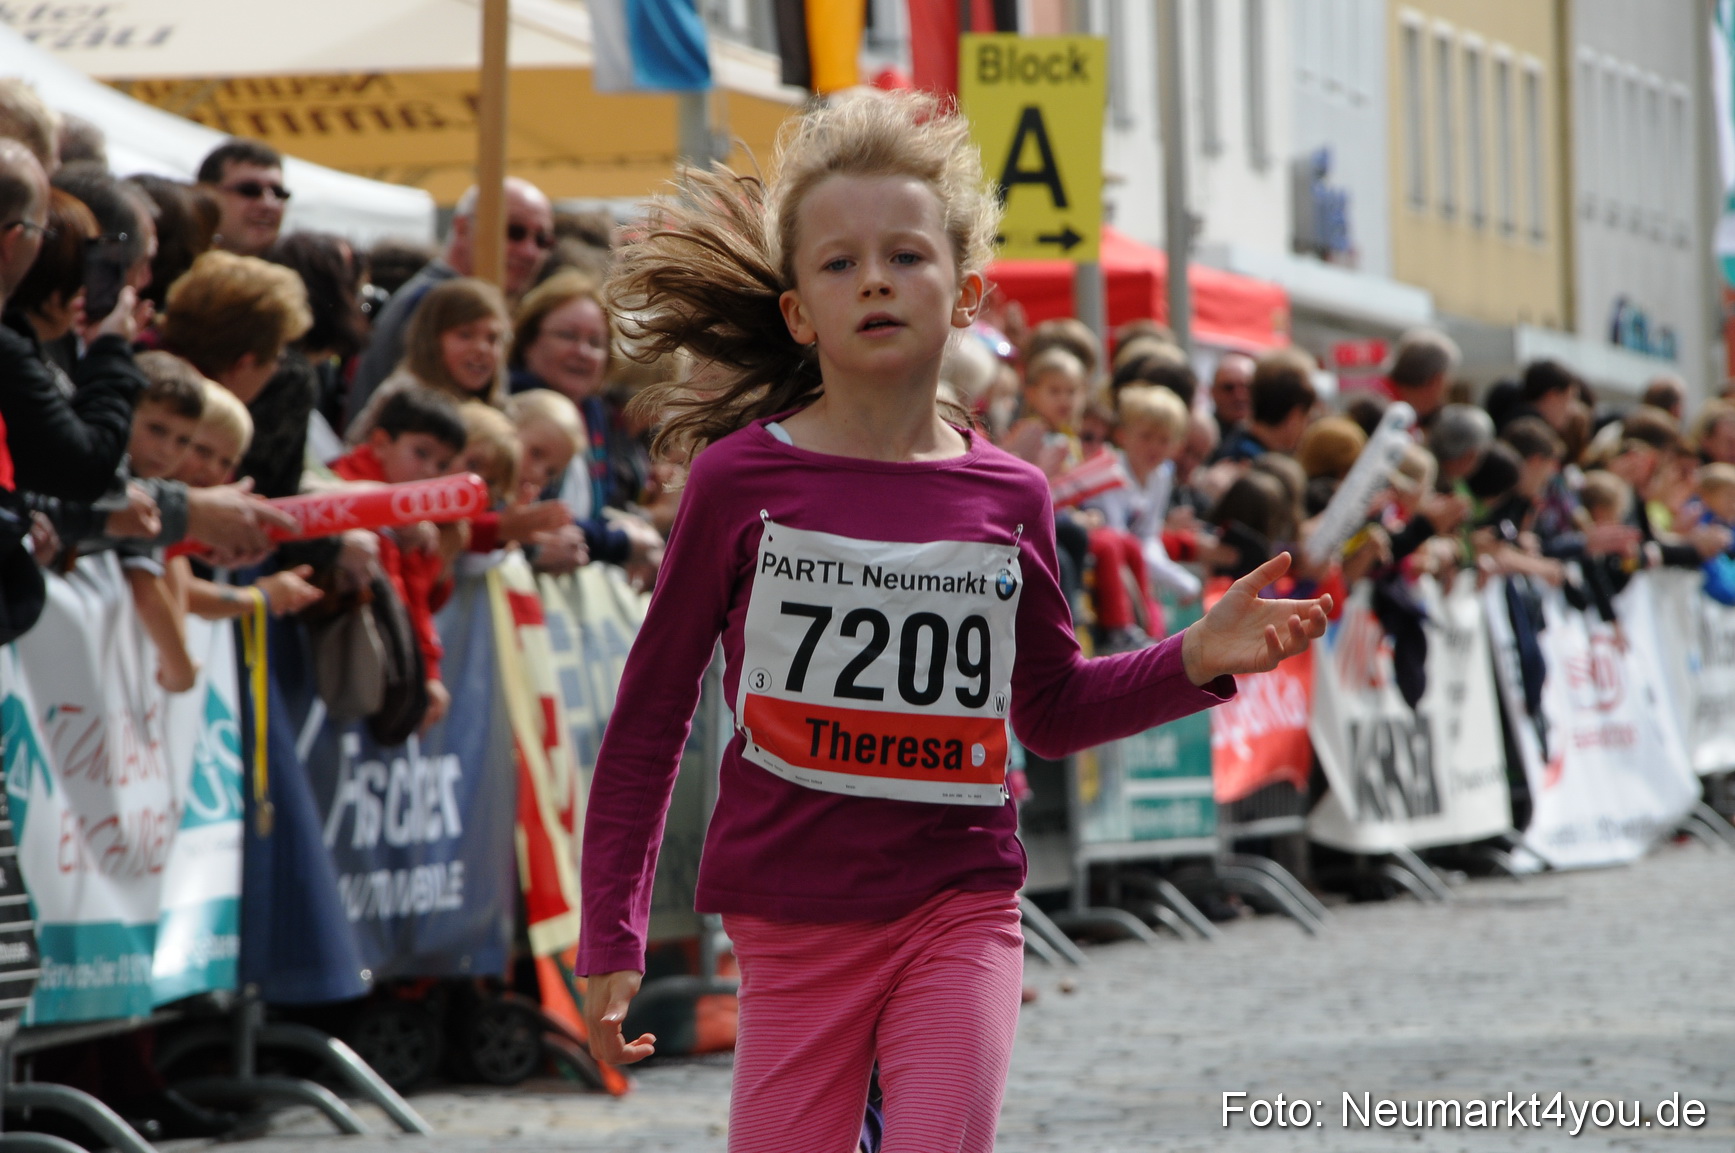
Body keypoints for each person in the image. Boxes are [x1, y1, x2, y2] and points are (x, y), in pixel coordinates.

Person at [577, 91, 1329, 1153]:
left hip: (959, 899)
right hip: (791, 916)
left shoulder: (1013, 493)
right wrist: (609, 927)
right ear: (798, 312)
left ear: (966, 291)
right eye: (837, 263)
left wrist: (1193, 656)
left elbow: (1052, 709)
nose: (872, 278)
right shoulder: (737, 478)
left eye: (904, 255)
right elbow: (650, 718)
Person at [347, 178, 555, 422]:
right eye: (514, 231)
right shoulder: (431, 301)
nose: (530, 251)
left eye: (543, 239)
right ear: (463, 227)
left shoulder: (439, 295)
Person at [330, 386, 470, 728]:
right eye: (421, 453)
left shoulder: (415, 517)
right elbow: (403, 602)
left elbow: (422, 600)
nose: (430, 472)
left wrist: (440, 557)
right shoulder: (340, 488)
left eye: (441, 464)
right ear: (380, 443)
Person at [509, 270, 661, 570]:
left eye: (595, 342)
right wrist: (621, 542)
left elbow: (592, 511)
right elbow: (537, 518)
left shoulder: (593, 412)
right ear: (529, 341)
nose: (582, 352)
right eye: (567, 336)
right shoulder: (514, 405)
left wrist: (639, 532)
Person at [122, 353, 206, 693]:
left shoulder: (156, 491)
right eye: (156, 429)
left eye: (183, 441)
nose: (167, 450)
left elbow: (169, 567)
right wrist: (180, 668)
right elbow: (145, 588)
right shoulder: (130, 491)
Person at [1212, 348, 1318, 462]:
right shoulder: (1256, 465)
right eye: (1307, 416)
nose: (1307, 425)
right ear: (1295, 416)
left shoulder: (1235, 446)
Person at [197, 138, 289, 258]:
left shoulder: (307, 271)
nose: (268, 204)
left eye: (278, 193)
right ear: (207, 195)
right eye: (249, 191)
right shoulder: (176, 269)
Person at [1383, 327, 1459, 427]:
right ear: (1437, 381)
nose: (1443, 399)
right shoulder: (1386, 411)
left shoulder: (1382, 397)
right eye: (1447, 386)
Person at [1208, 351, 1255, 438]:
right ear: (1213, 392)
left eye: (1247, 387)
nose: (1239, 396)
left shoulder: (1271, 435)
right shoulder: (1203, 437)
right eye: (1229, 388)